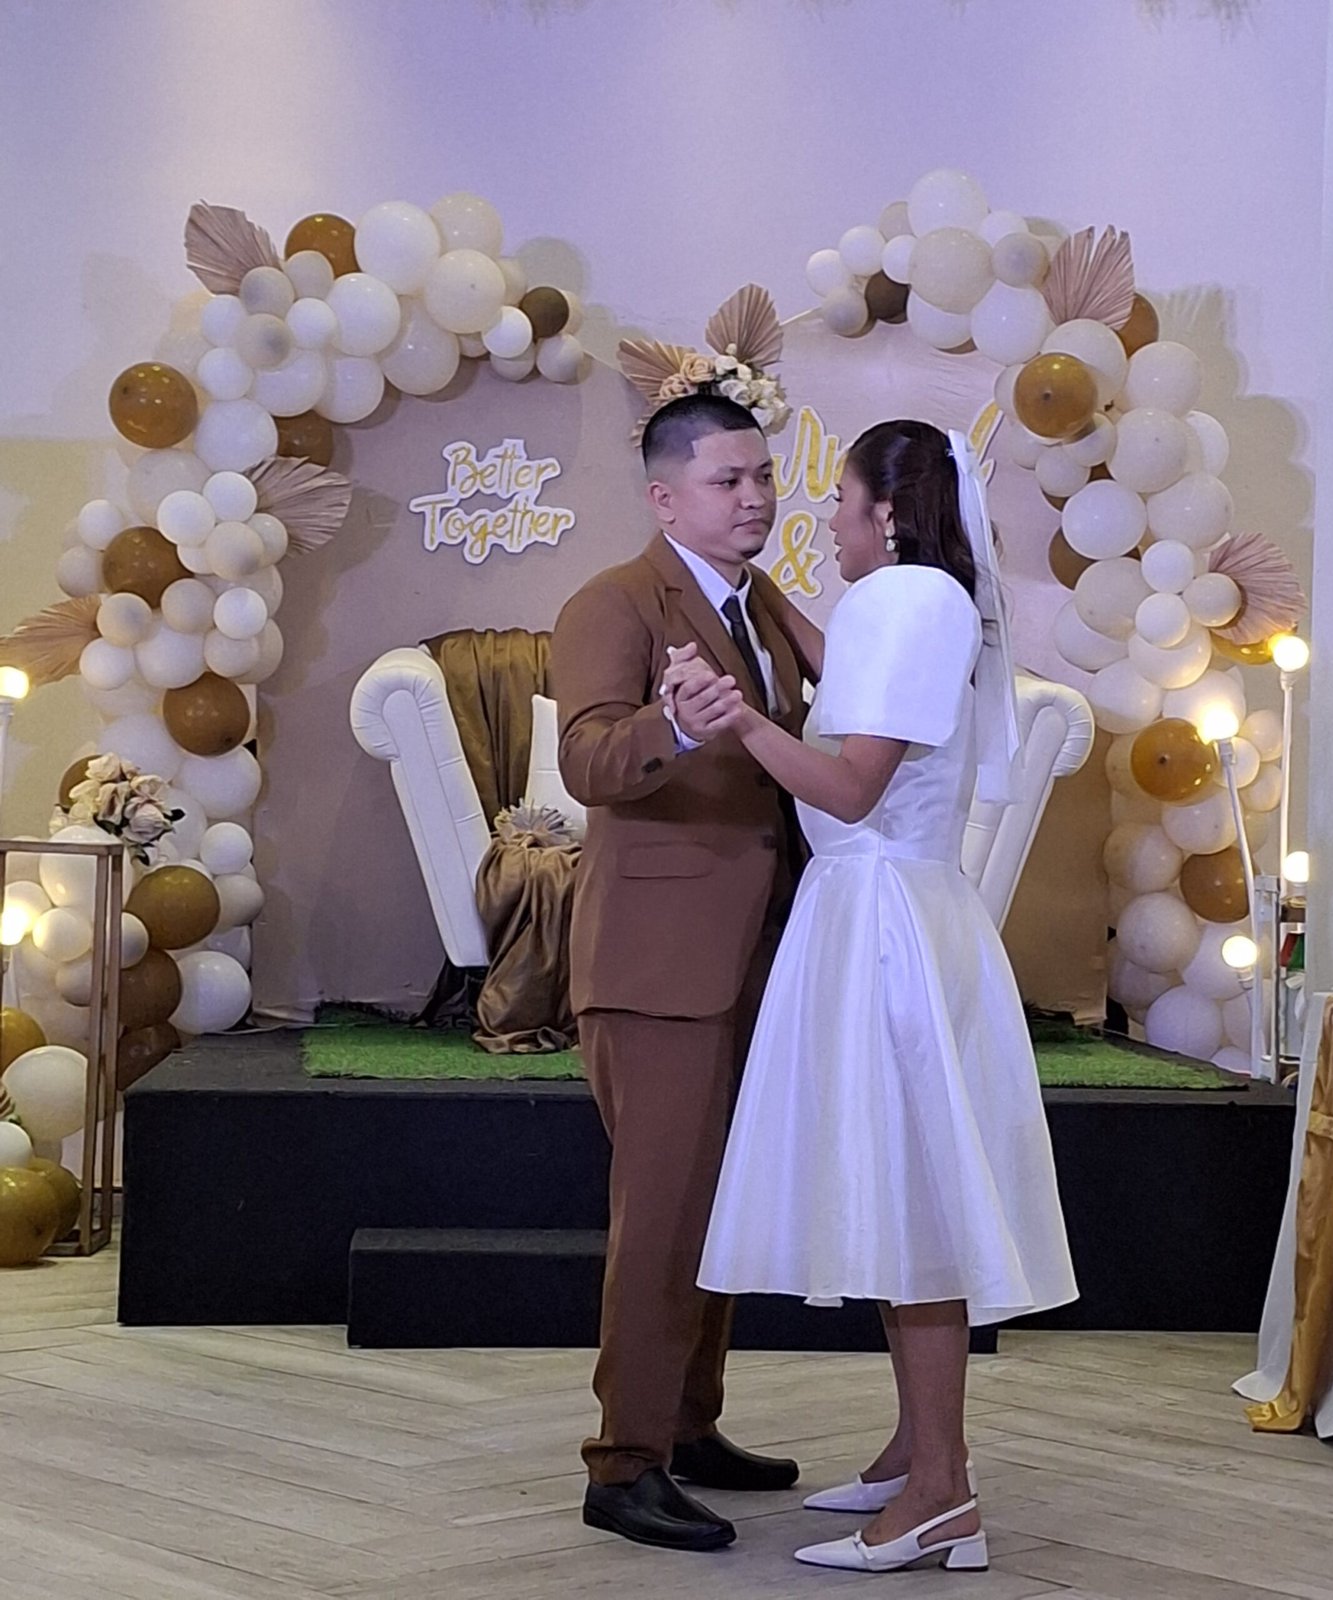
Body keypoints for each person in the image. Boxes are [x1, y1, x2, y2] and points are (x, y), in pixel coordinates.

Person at [676, 418, 1077, 1575]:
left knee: (911, 1210)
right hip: (895, 909)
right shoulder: (911, 600)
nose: (826, 522)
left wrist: (738, 718)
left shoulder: (904, 601)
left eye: (840, 503)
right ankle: (918, 1450)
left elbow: (851, 788)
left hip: (882, 920)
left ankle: (943, 1491)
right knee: (905, 1194)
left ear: (887, 516)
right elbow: (845, 680)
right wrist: (754, 598)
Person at [550, 392, 823, 1553]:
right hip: (657, 963)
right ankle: (623, 1463)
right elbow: (584, 759)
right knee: (662, 1216)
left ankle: (686, 1423)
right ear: (665, 497)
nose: (755, 497)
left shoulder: (762, 604)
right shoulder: (612, 602)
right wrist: (673, 726)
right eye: (728, 481)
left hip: (758, 948)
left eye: (763, 476)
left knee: (718, 1203)